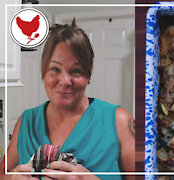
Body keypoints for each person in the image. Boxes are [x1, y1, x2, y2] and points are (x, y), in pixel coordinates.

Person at [0, 18, 135, 180]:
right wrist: (11, 177)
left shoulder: (119, 120)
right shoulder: (26, 121)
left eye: (76, 70)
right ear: (43, 70)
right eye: (55, 69)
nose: (65, 81)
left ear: (89, 72)